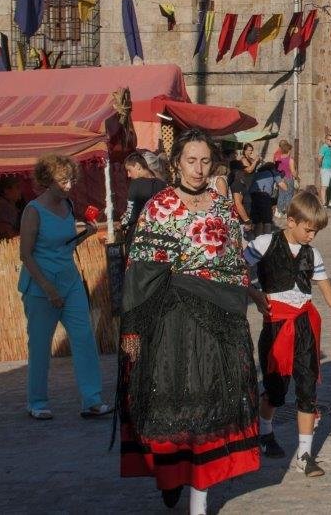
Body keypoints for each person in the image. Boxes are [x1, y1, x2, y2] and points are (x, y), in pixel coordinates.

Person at [119, 129, 262, 515]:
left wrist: (246, 302)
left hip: (217, 322)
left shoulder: (221, 207)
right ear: (176, 163)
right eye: (190, 161)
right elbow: (140, 271)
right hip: (171, 323)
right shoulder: (159, 207)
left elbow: (235, 263)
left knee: (210, 407)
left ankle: (198, 498)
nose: (198, 170)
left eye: (204, 161)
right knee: (175, 406)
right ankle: (170, 476)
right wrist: (134, 330)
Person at [243, 191, 331, 477]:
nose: (311, 236)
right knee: (276, 389)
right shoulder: (265, 242)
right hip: (276, 325)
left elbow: (330, 294)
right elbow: (235, 269)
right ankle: (265, 430)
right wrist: (253, 293)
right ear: (291, 221)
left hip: (305, 323)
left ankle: (305, 455)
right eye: (308, 230)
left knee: (308, 388)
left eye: (315, 232)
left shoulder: (314, 254)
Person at [18, 154, 111, 421]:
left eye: (71, 179)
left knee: (83, 338)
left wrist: (86, 234)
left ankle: (92, 400)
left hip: (69, 282)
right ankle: (37, 401)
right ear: (48, 181)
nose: (69, 185)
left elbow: (64, 246)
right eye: (63, 180)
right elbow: (26, 255)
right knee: (40, 344)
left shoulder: (69, 206)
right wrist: (48, 290)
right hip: (40, 287)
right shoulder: (33, 211)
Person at [120, 150, 166, 246]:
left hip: (139, 237)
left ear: (137, 166)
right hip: (160, 237)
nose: (128, 175)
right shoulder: (162, 184)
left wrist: (121, 224)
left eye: (129, 170)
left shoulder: (136, 184)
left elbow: (130, 216)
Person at [231, 143, 259, 229]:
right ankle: (245, 222)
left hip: (247, 186)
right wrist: (255, 161)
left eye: (251, 150)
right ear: (244, 151)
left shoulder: (250, 159)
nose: (250, 152)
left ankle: (247, 223)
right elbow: (249, 170)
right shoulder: (243, 159)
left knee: (248, 204)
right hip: (241, 183)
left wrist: (256, 161)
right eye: (249, 150)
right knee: (241, 203)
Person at [274, 139, 298, 218]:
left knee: (281, 195)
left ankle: (279, 211)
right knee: (289, 195)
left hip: (281, 179)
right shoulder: (290, 159)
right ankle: (289, 212)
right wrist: (297, 177)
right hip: (288, 178)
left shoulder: (278, 159)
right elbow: (293, 171)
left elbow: (276, 169)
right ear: (288, 150)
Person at [317, 134, 331, 207]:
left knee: (329, 186)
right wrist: (321, 166)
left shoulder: (330, 148)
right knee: (324, 186)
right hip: (325, 169)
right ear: (326, 140)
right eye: (330, 140)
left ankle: (328, 202)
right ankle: (323, 203)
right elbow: (320, 158)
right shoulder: (323, 148)